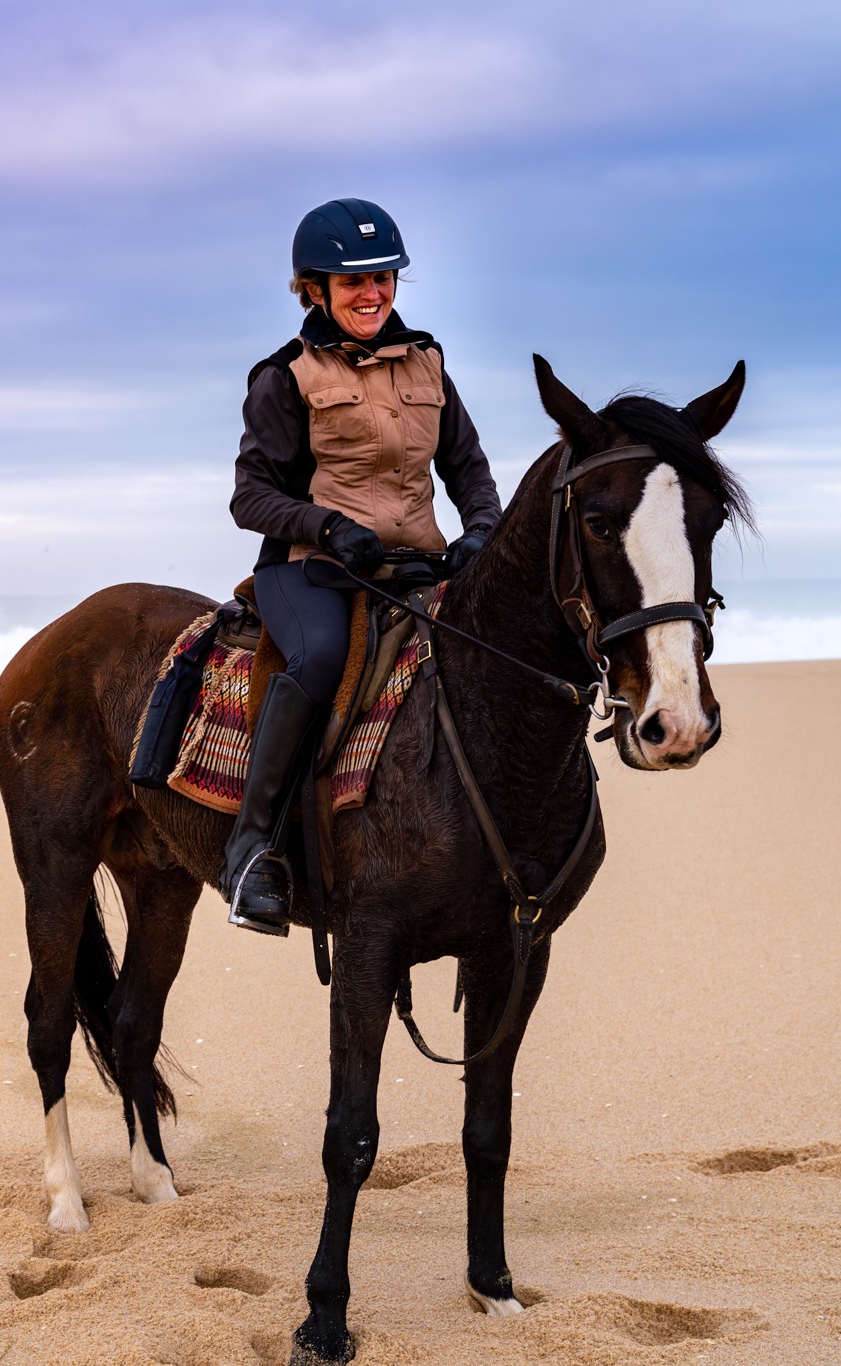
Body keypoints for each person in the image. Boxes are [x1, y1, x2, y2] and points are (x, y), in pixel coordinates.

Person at [220, 198, 503, 934]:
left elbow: (468, 469)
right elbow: (249, 497)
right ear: (313, 289)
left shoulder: (429, 363)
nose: (372, 293)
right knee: (316, 663)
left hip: (415, 566)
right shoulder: (285, 377)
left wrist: (480, 533)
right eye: (352, 283)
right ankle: (252, 854)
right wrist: (326, 527)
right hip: (313, 570)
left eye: (383, 278)